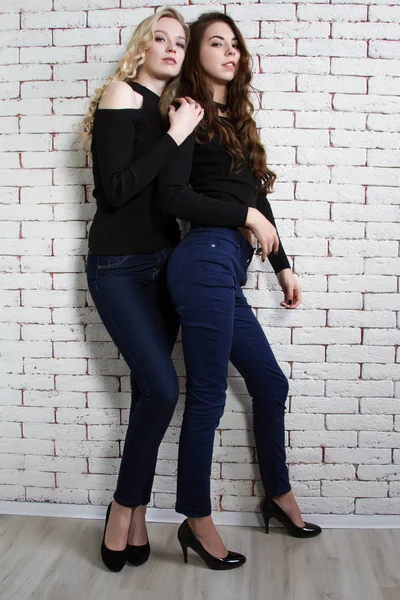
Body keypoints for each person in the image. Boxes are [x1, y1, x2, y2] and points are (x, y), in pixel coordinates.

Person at [81, 7, 290, 573]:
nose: (172, 47)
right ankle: (124, 505)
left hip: (164, 261)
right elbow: (117, 190)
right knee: (164, 391)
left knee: (155, 396)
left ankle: (138, 511)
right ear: (140, 48)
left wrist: (279, 259)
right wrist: (176, 133)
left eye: (180, 40)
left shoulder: (179, 110)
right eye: (162, 38)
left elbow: (185, 190)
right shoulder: (123, 97)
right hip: (119, 266)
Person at [155, 12, 322, 571]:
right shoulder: (188, 113)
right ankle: (197, 521)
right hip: (202, 261)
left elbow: (256, 200)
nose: (230, 52)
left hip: (227, 269)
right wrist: (244, 212)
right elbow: (173, 196)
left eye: (235, 45)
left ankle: (276, 496)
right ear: (196, 56)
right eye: (216, 43)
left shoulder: (236, 119)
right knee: (208, 398)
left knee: (270, 383)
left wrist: (283, 267)